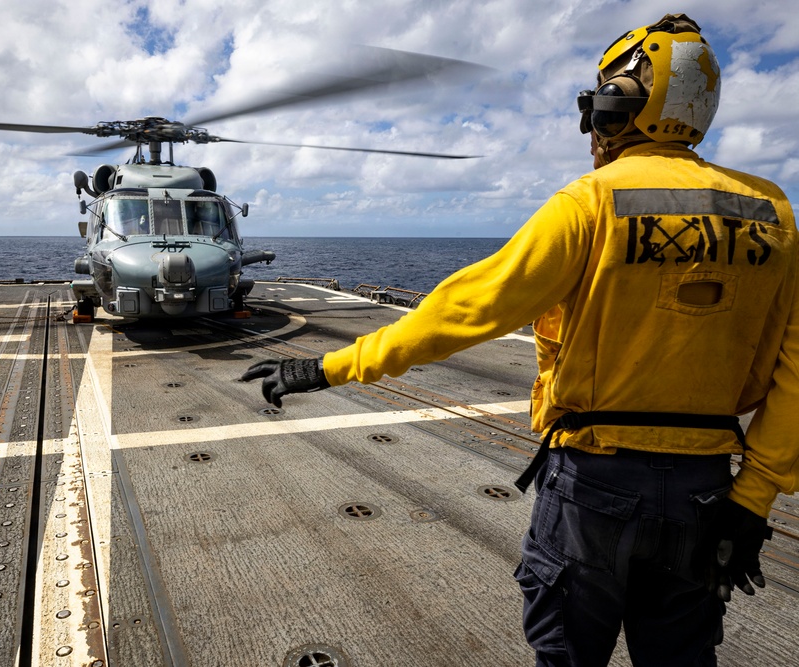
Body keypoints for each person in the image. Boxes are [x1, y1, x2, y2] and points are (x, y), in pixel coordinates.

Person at [242, 14, 798, 666]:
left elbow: (463, 309)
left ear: (622, 105)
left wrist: (329, 366)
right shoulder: (773, 214)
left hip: (594, 484)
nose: (592, 130)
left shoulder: (591, 202)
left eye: (596, 109)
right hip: (706, 492)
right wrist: (752, 499)